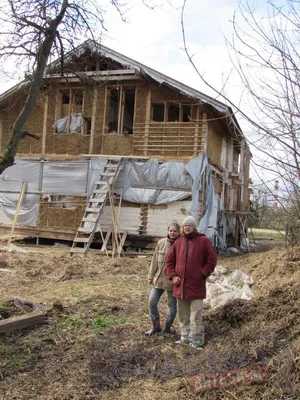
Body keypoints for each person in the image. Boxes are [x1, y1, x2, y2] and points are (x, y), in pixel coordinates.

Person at [166, 215, 217, 349]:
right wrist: (173, 276)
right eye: (185, 225)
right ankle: (185, 338)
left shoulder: (203, 240)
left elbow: (212, 260)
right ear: (182, 228)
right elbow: (169, 261)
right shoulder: (179, 242)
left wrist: (202, 274)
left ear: (194, 227)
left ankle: (197, 340)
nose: (187, 227)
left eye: (190, 225)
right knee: (183, 314)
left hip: (196, 285)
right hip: (180, 285)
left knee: (196, 315)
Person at [144, 222, 181, 336]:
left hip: (172, 282)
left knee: (172, 306)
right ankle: (155, 327)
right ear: (168, 231)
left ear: (179, 232)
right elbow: (154, 260)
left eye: (175, 231)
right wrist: (151, 276)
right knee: (152, 302)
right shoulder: (161, 243)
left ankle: (167, 329)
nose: (172, 233)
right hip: (159, 279)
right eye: (170, 230)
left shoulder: (181, 244)